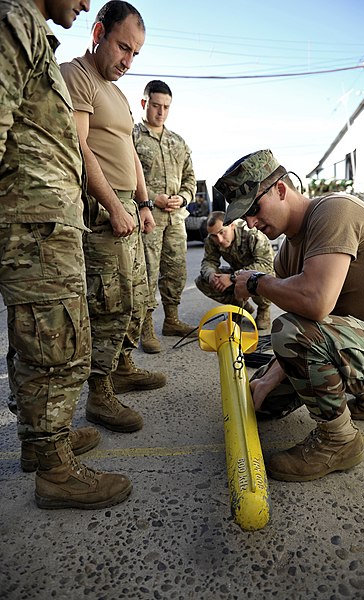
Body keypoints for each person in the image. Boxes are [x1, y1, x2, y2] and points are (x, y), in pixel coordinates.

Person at [0, 0, 132, 509]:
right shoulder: (14, 20)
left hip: (45, 218)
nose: (82, 3)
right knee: (58, 343)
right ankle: (55, 471)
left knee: (41, 339)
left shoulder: (32, 30)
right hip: (32, 221)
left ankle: (41, 443)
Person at [213, 149, 364, 482]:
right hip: (359, 338)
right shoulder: (286, 256)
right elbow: (313, 325)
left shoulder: (334, 211)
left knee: (288, 331)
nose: (251, 223)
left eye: (254, 209)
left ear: (281, 190)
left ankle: (339, 439)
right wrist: (272, 376)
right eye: (246, 217)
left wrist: (256, 282)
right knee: (263, 399)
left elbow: (315, 303)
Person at [61, 2, 167, 433]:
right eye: (123, 47)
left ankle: (121, 366)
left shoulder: (119, 94)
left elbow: (132, 156)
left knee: (134, 298)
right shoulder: (77, 75)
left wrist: (142, 204)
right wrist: (114, 205)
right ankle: (99, 395)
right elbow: (80, 148)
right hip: (101, 212)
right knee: (107, 303)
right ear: (99, 32)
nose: (128, 60)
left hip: (126, 208)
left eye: (135, 54)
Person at [133, 80, 197, 354]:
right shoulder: (132, 137)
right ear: (144, 103)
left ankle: (171, 320)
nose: (161, 112)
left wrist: (183, 197)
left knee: (175, 272)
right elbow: (124, 176)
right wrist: (151, 199)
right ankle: (145, 329)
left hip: (175, 220)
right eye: (156, 106)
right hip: (148, 219)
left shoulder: (178, 142)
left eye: (166, 107)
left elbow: (190, 178)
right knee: (147, 273)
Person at [195, 211, 274, 332]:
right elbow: (208, 261)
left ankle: (263, 308)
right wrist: (212, 275)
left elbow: (266, 265)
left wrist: (233, 277)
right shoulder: (212, 238)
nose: (219, 239)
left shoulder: (252, 233)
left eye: (222, 232)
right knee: (202, 281)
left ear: (231, 225)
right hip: (236, 271)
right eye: (214, 236)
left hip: (258, 274)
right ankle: (239, 306)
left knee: (262, 280)